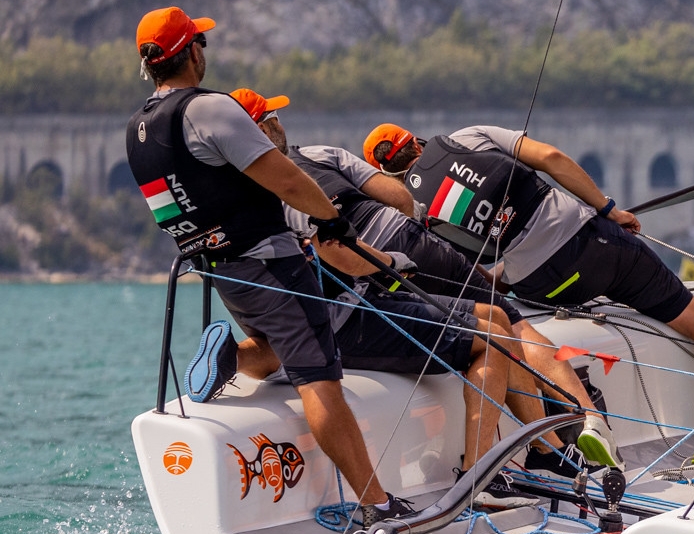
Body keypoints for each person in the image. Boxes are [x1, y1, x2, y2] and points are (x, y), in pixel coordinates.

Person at [123, 7, 409, 527]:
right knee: (319, 376)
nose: (204, 52)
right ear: (190, 51)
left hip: (219, 269)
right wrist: (332, 221)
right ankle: (379, 504)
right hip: (270, 265)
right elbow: (289, 180)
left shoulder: (136, 130)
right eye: (201, 43)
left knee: (279, 351)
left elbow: (172, 210)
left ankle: (230, 355)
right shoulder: (210, 109)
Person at [360, 122, 694, 448]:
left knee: (522, 323)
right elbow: (552, 159)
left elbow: (471, 267)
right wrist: (608, 207)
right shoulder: (466, 137)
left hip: (543, 285)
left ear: (388, 174)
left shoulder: (415, 208)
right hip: (595, 246)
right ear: (416, 140)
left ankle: (584, 422)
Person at [228, 89, 612, 467]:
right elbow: (397, 201)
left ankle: (544, 449)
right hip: (391, 248)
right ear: (270, 125)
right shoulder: (315, 156)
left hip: (360, 283)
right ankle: (582, 419)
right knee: (511, 323)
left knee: (486, 326)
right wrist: (401, 247)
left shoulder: (249, 200)